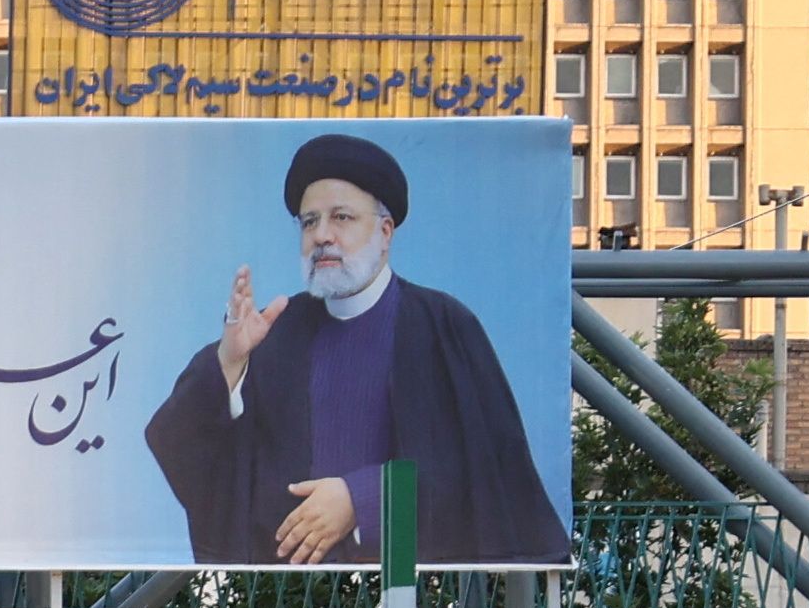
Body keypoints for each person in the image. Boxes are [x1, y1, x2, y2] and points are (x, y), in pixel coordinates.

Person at [142, 132, 569, 568]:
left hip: (415, 589)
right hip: (291, 594)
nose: (322, 236)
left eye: (341, 217)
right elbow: (183, 447)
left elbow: (484, 474)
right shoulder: (277, 332)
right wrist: (230, 362)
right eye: (309, 222)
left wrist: (361, 499)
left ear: (385, 232)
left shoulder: (443, 326)